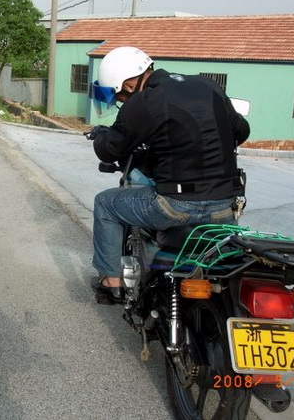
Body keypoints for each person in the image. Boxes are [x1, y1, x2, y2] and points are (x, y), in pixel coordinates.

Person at [87, 46, 250, 304]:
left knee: (106, 203)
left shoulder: (143, 102)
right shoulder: (208, 86)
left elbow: (110, 150)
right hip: (224, 206)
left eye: (120, 96)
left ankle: (112, 282)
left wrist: (101, 134)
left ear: (128, 86)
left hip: (175, 205)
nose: (122, 101)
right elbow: (241, 131)